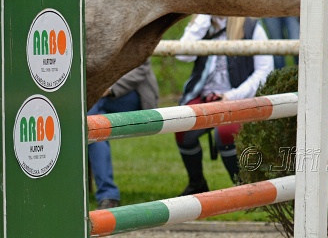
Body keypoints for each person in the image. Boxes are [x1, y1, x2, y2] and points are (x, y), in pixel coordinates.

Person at [175, 15, 275, 195]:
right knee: (182, 125)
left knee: (225, 132)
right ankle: (196, 183)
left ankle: (243, 187)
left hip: (237, 97)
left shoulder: (250, 26)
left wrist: (231, 96)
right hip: (205, 96)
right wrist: (202, 18)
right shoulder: (202, 26)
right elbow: (182, 55)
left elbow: (264, 71)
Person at [88, 59, 159, 209]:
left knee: (91, 118)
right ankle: (107, 194)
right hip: (99, 96)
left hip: (134, 95)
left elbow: (140, 69)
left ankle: (107, 194)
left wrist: (110, 88)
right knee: (93, 118)